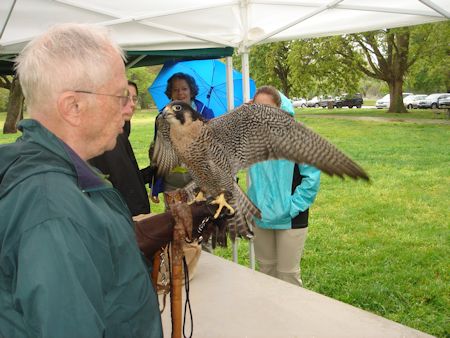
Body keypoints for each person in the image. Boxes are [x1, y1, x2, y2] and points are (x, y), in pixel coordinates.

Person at [0, 23, 219, 337]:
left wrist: (167, 223)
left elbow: (94, 251)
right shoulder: (51, 209)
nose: (130, 107)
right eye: (120, 96)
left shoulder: (61, 176)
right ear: (73, 107)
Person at [247, 85, 321, 287]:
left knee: (288, 275)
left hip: (291, 218)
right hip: (260, 216)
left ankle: (292, 318)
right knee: (266, 271)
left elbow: (311, 179)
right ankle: (269, 316)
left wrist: (292, 207)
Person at [89, 80, 152, 216]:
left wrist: (152, 172)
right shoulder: (109, 137)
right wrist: (137, 216)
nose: (132, 104)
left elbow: (127, 175)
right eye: (125, 97)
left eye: (134, 98)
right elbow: (121, 184)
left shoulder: (122, 131)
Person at [151, 72, 214, 204]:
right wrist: (155, 187)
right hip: (172, 181)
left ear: (191, 91)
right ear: (170, 93)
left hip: (199, 180)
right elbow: (157, 155)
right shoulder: (162, 117)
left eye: (184, 89)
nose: (180, 93)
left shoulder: (206, 113)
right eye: (176, 90)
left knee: (200, 217)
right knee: (176, 219)